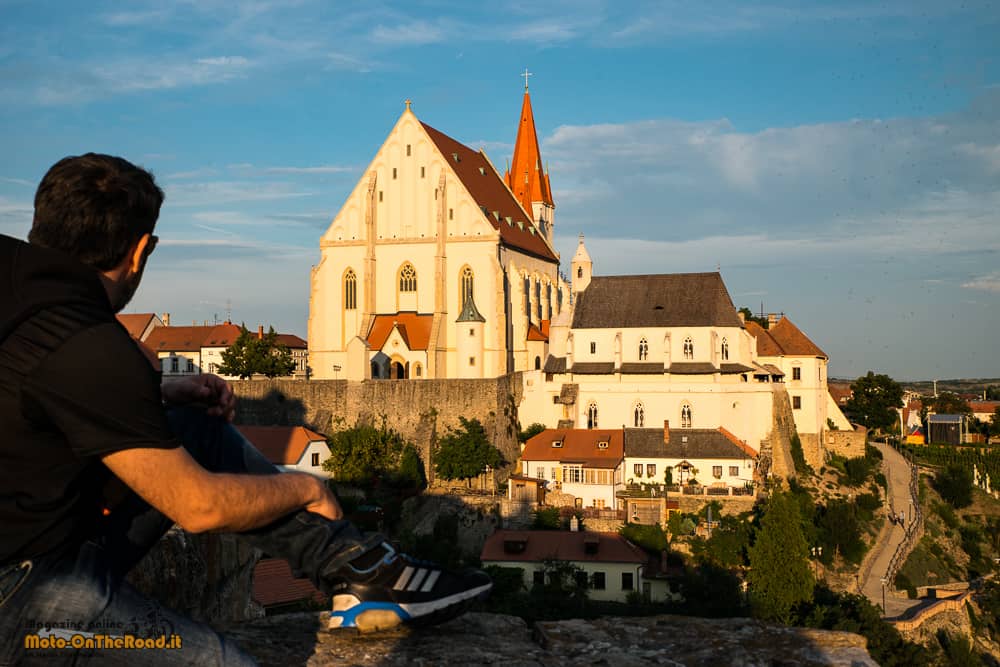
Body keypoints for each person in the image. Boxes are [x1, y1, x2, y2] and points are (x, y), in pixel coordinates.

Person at [0, 153, 491, 666]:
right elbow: (199, 506)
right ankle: (362, 568)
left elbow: (32, 383)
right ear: (141, 251)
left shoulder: (18, 286)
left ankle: (358, 569)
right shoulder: (91, 346)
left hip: (30, 544)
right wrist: (306, 485)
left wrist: (158, 390)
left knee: (192, 424)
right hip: (24, 599)